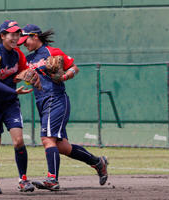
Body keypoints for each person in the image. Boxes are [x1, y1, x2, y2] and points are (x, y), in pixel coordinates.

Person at [17, 24, 109, 191]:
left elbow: (74, 68)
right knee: (62, 147)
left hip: (56, 99)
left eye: (26, 40)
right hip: (42, 102)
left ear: (35, 36)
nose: (24, 44)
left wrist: (64, 76)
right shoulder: (28, 60)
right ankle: (98, 162)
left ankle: (52, 179)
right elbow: (19, 76)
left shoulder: (52, 52)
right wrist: (22, 78)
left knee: (47, 139)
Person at [0, 20, 36, 194]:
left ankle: (23, 180)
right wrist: (14, 91)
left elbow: (24, 71)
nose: (15, 37)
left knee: (18, 140)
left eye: (17, 34)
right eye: (11, 34)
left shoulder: (18, 54)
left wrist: (30, 75)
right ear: (3, 36)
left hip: (10, 102)